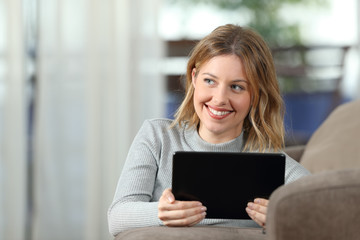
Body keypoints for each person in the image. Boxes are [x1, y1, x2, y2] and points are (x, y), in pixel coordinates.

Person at [108, 24, 310, 236]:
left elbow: (324, 210)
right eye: (210, 81)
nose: (220, 99)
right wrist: (160, 213)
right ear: (194, 78)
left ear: (256, 95)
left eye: (237, 87)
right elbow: (117, 217)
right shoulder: (157, 136)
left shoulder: (272, 164)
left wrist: (286, 219)